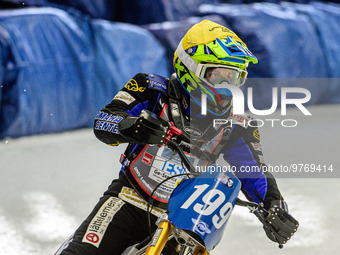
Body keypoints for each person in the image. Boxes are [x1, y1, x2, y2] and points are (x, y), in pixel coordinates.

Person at [55, 20, 299, 255]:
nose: (226, 87)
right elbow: (104, 121)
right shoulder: (150, 88)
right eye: (218, 77)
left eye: (233, 78)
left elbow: (254, 171)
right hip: (128, 200)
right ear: (190, 67)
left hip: (183, 222)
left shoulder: (237, 123)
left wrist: (274, 206)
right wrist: (133, 126)